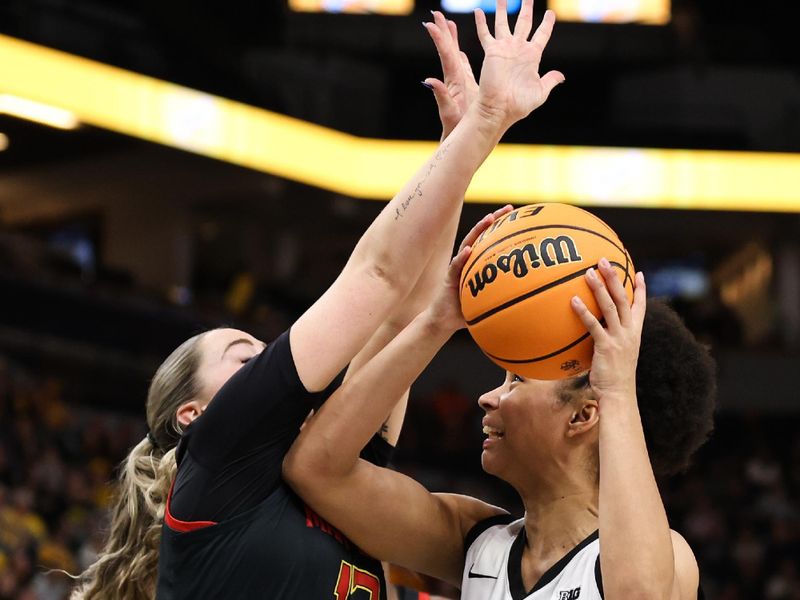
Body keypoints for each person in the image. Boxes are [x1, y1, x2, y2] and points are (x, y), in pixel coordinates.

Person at [68, 0, 565, 596]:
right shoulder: (220, 460)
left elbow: (406, 312)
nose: (270, 360)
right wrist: (484, 123)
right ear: (194, 416)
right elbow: (379, 277)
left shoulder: (333, 474)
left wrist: (456, 148)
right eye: (247, 359)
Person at [283, 10, 716, 597]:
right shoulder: (476, 541)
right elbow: (317, 466)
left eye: (515, 378)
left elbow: (636, 593)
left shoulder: (666, 556)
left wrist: (616, 385)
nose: (487, 394)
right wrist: (438, 316)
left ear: (585, 413)